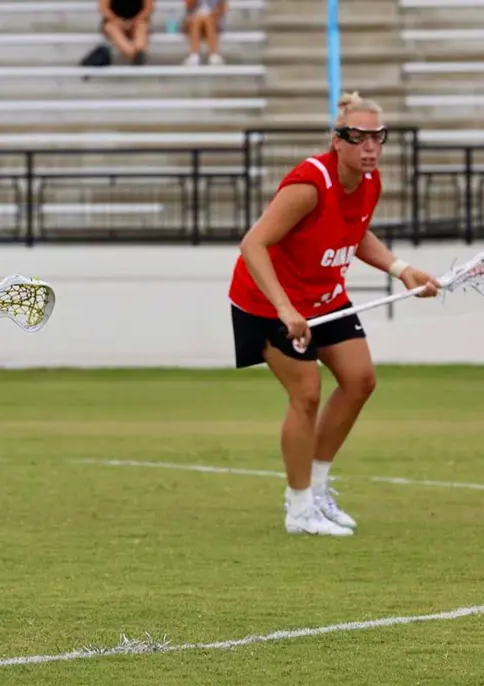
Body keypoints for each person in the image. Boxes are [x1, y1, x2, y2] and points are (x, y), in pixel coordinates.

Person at [228, 92, 439, 536]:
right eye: (358, 137)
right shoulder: (309, 183)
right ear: (337, 140)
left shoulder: (368, 182)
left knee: (361, 380)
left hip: (324, 298)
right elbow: (253, 244)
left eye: (377, 138)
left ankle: (318, 490)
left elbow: (355, 233)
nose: (369, 147)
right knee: (306, 393)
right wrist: (285, 310)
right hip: (269, 301)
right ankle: (298, 508)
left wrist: (401, 270)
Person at [98, 0, 154, 65]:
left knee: (142, 26)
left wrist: (134, 21)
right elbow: (104, 8)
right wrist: (119, 21)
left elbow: (148, 8)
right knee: (110, 27)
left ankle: (139, 50)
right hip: (114, 22)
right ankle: (134, 55)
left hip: (138, 21)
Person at [183, 0, 225, 65]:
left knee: (208, 19)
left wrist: (213, 14)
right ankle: (213, 54)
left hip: (213, 21)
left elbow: (222, 10)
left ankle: (195, 54)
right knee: (197, 19)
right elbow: (188, 7)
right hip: (194, 21)